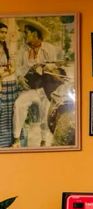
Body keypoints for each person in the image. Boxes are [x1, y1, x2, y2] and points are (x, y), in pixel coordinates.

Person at [12, 19, 62, 148]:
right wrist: (20, 78)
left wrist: (46, 67)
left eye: (26, 33)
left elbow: (55, 67)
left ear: (34, 34)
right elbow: (18, 68)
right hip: (30, 88)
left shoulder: (49, 48)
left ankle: (44, 141)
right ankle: (16, 139)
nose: (24, 36)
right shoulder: (23, 50)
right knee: (19, 104)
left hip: (45, 88)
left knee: (45, 113)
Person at [0, 23, 17, 147]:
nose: (4, 35)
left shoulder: (5, 47)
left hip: (7, 81)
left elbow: (12, 67)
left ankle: (8, 141)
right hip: (2, 81)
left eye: (5, 32)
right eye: (1, 32)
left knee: (9, 111)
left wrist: (3, 73)